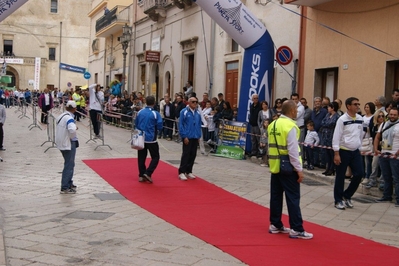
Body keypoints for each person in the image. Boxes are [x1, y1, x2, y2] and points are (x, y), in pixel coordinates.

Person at [268, 100, 313, 240]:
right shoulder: (290, 126)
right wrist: (299, 169)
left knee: (276, 197)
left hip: (275, 166)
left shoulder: (273, 124)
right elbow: (293, 150)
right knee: (293, 198)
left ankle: (275, 224)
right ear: (292, 110)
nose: (297, 112)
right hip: (288, 167)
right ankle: (296, 228)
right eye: (296, 110)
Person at [332, 97, 364, 210]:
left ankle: (347, 195)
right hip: (343, 150)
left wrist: (359, 146)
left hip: (355, 151)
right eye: (355, 104)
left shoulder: (360, 118)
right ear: (348, 106)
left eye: (358, 104)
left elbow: (360, 134)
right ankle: (338, 199)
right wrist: (336, 153)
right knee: (340, 176)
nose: (357, 106)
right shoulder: (342, 120)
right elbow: (337, 136)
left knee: (359, 174)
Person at [373, 108, 399, 206]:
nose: (392, 116)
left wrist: (397, 153)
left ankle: (398, 199)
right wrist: (375, 148)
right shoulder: (384, 124)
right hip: (384, 154)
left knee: (396, 178)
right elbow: (377, 137)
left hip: (395, 156)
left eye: (394, 115)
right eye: (391, 114)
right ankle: (386, 196)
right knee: (386, 177)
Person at [135, 96, 163, 183]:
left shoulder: (140, 112)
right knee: (155, 157)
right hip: (151, 138)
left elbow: (136, 123)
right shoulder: (155, 113)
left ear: (145, 102)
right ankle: (148, 172)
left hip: (141, 137)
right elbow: (160, 125)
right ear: (154, 103)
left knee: (141, 157)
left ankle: (141, 174)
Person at [55, 101, 78, 194]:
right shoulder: (69, 118)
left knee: (69, 163)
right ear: (73, 108)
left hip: (61, 142)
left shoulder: (61, 116)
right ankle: (65, 187)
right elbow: (72, 129)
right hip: (68, 143)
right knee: (69, 165)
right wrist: (73, 137)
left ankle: (69, 182)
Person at [178, 97, 202, 181]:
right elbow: (181, 124)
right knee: (186, 154)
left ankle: (189, 171)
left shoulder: (198, 113)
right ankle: (182, 171)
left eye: (196, 102)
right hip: (187, 136)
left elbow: (199, 125)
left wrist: (199, 136)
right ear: (189, 102)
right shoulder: (184, 112)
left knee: (193, 154)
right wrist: (184, 136)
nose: (195, 103)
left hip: (195, 136)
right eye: (193, 102)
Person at [365, 110, 387, 189]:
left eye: (382, 116)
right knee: (374, 165)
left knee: (383, 166)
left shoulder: (386, 125)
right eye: (379, 116)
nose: (381, 118)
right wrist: (375, 148)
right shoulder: (374, 127)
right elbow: (374, 138)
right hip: (376, 149)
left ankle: (382, 181)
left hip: (385, 148)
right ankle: (372, 180)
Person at [319, 102, 339, 175]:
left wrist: (327, 124)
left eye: (329, 107)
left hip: (332, 136)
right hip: (325, 136)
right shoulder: (327, 115)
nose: (328, 109)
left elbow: (332, 123)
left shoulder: (337, 116)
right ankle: (327, 168)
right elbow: (322, 122)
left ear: (333, 108)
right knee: (327, 153)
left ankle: (332, 168)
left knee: (332, 153)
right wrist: (326, 124)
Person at [249, 94, 261, 159]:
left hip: (257, 125)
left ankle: (259, 152)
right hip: (252, 124)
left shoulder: (259, 106)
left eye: (257, 98)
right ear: (252, 99)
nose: (256, 99)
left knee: (258, 139)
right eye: (255, 98)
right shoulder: (251, 106)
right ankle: (253, 152)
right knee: (253, 139)